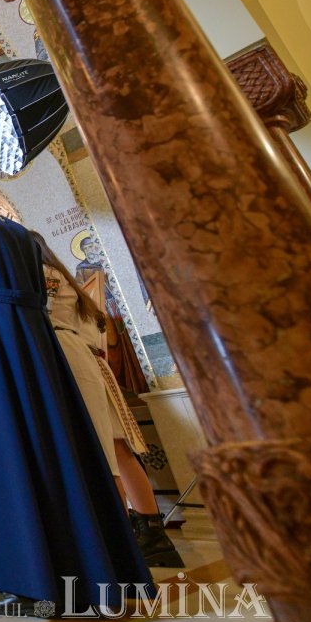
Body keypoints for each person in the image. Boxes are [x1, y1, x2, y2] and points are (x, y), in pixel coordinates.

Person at [0, 171, 151, 615]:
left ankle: (26, 583)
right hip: (32, 349)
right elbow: (40, 294)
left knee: (0, 454)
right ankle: (87, 574)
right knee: (50, 449)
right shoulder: (21, 234)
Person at [32, 231, 182, 568]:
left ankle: (119, 537)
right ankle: (153, 535)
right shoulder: (71, 280)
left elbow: (41, 315)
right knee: (118, 450)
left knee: (104, 453)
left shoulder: (45, 275)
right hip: (94, 364)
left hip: (75, 363)